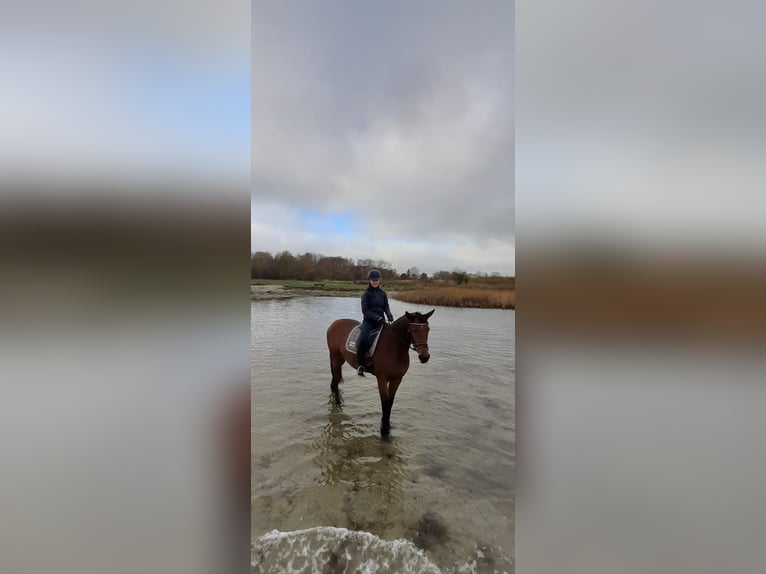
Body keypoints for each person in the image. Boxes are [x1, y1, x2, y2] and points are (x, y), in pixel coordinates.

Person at [356, 268, 394, 376]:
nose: (375, 282)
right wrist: (376, 317)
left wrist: (389, 315)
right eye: (373, 280)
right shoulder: (366, 294)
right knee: (363, 340)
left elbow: (386, 306)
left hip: (381, 320)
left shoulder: (382, 293)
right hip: (369, 321)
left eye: (377, 280)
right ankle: (360, 365)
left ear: (379, 281)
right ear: (370, 281)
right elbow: (365, 311)